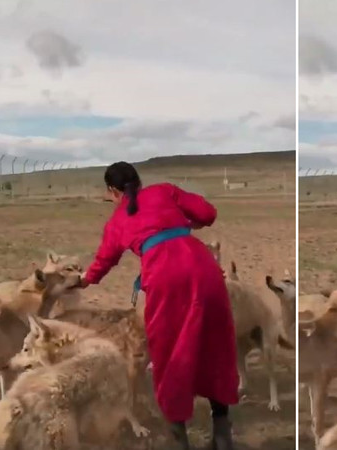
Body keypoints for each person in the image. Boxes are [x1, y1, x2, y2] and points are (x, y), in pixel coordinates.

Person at [79, 161, 239, 450]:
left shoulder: (117, 221)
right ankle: (223, 435)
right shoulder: (164, 191)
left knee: (169, 354)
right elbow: (208, 213)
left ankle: (179, 440)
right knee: (216, 345)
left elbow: (103, 261)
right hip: (204, 268)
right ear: (139, 181)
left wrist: (84, 281)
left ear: (112, 191)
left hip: (165, 277)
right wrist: (189, 223)